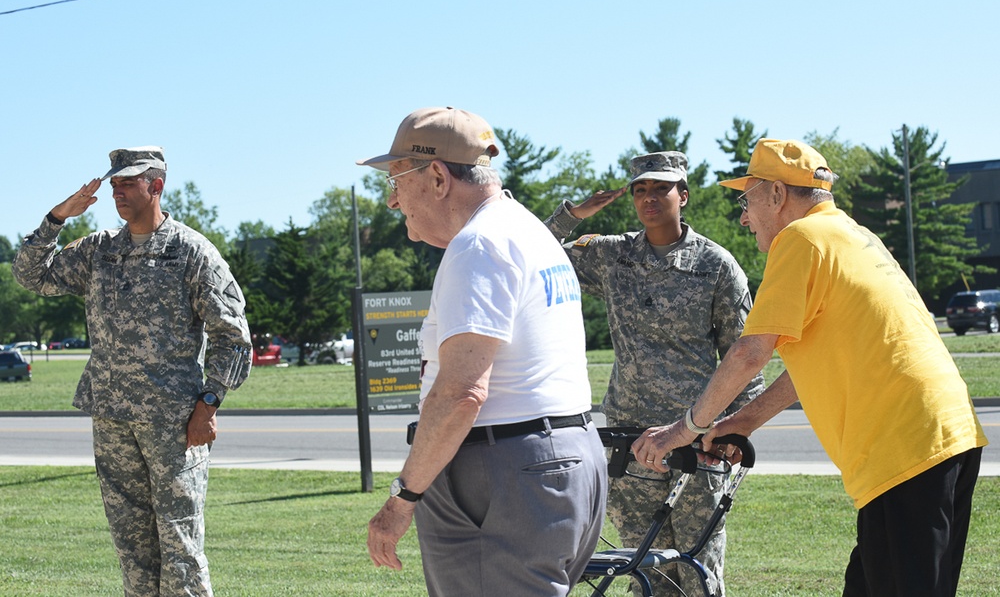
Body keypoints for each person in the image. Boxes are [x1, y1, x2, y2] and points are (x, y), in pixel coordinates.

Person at [631, 139, 988, 597]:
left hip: (905, 448)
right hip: (941, 438)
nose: (743, 216)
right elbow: (816, 359)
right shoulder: (851, 234)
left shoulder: (800, 239)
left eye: (748, 199)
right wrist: (742, 421)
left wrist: (682, 430)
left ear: (777, 195)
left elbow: (749, 353)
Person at [362, 107, 607, 596]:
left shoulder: (479, 245)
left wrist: (402, 497)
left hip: (506, 474)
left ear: (436, 177)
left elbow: (461, 392)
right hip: (563, 458)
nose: (392, 201)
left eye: (396, 179)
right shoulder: (527, 229)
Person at [13, 146, 253, 597]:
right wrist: (59, 216)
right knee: (133, 553)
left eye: (128, 182)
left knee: (179, 551)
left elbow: (233, 335)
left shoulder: (191, 252)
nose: (117, 191)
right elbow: (31, 275)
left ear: (156, 185)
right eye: (114, 183)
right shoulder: (100, 251)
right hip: (112, 420)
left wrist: (210, 402)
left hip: (173, 425)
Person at [545, 151, 764, 595]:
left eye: (661, 188)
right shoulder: (611, 255)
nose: (649, 197)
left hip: (697, 440)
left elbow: (745, 357)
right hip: (630, 442)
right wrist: (572, 215)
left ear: (683, 195)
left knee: (697, 570)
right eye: (640, 189)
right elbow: (532, 255)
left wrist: (734, 432)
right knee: (645, 573)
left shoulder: (715, 265)